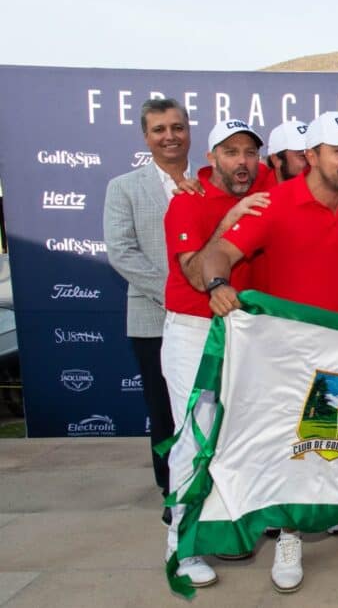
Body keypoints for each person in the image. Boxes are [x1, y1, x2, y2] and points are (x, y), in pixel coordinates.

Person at [199, 111, 338, 592]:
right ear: (311, 155)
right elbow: (219, 253)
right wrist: (218, 282)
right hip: (286, 349)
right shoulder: (275, 203)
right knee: (293, 449)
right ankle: (289, 535)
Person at [160, 118, 274, 588]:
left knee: (235, 438)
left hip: (242, 333)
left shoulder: (264, 183)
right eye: (231, 152)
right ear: (211, 159)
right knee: (193, 439)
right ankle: (181, 548)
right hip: (194, 331)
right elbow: (192, 275)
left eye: (250, 152)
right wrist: (227, 221)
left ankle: (223, 530)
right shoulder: (187, 201)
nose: (242, 162)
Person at [103, 97, 191, 529]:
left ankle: (211, 485)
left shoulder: (212, 184)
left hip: (213, 321)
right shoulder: (124, 187)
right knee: (164, 412)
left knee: (210, 408)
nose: (169, 136)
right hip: (153, 319)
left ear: (189, 131)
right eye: (159, 130)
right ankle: (172, 492)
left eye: (177, 127)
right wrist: (174, 294)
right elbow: (121, 251)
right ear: (146, 137)